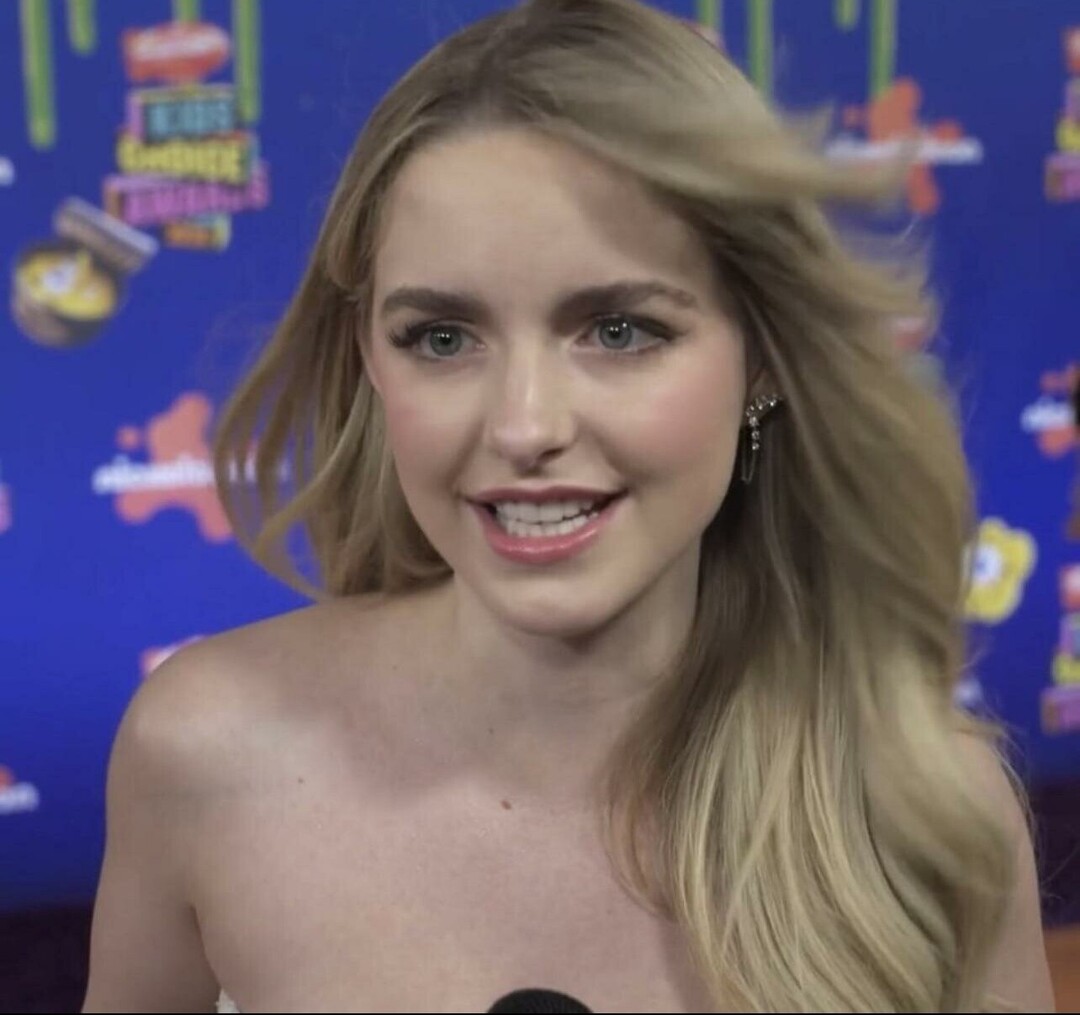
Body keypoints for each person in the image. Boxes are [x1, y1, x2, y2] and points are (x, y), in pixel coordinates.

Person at [82, 0, 1054, 1011]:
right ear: (371, 355)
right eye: (443, 338)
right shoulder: (201, 751)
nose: (524, 425)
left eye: (620, 330)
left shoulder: (931, 818)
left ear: (764, 355)